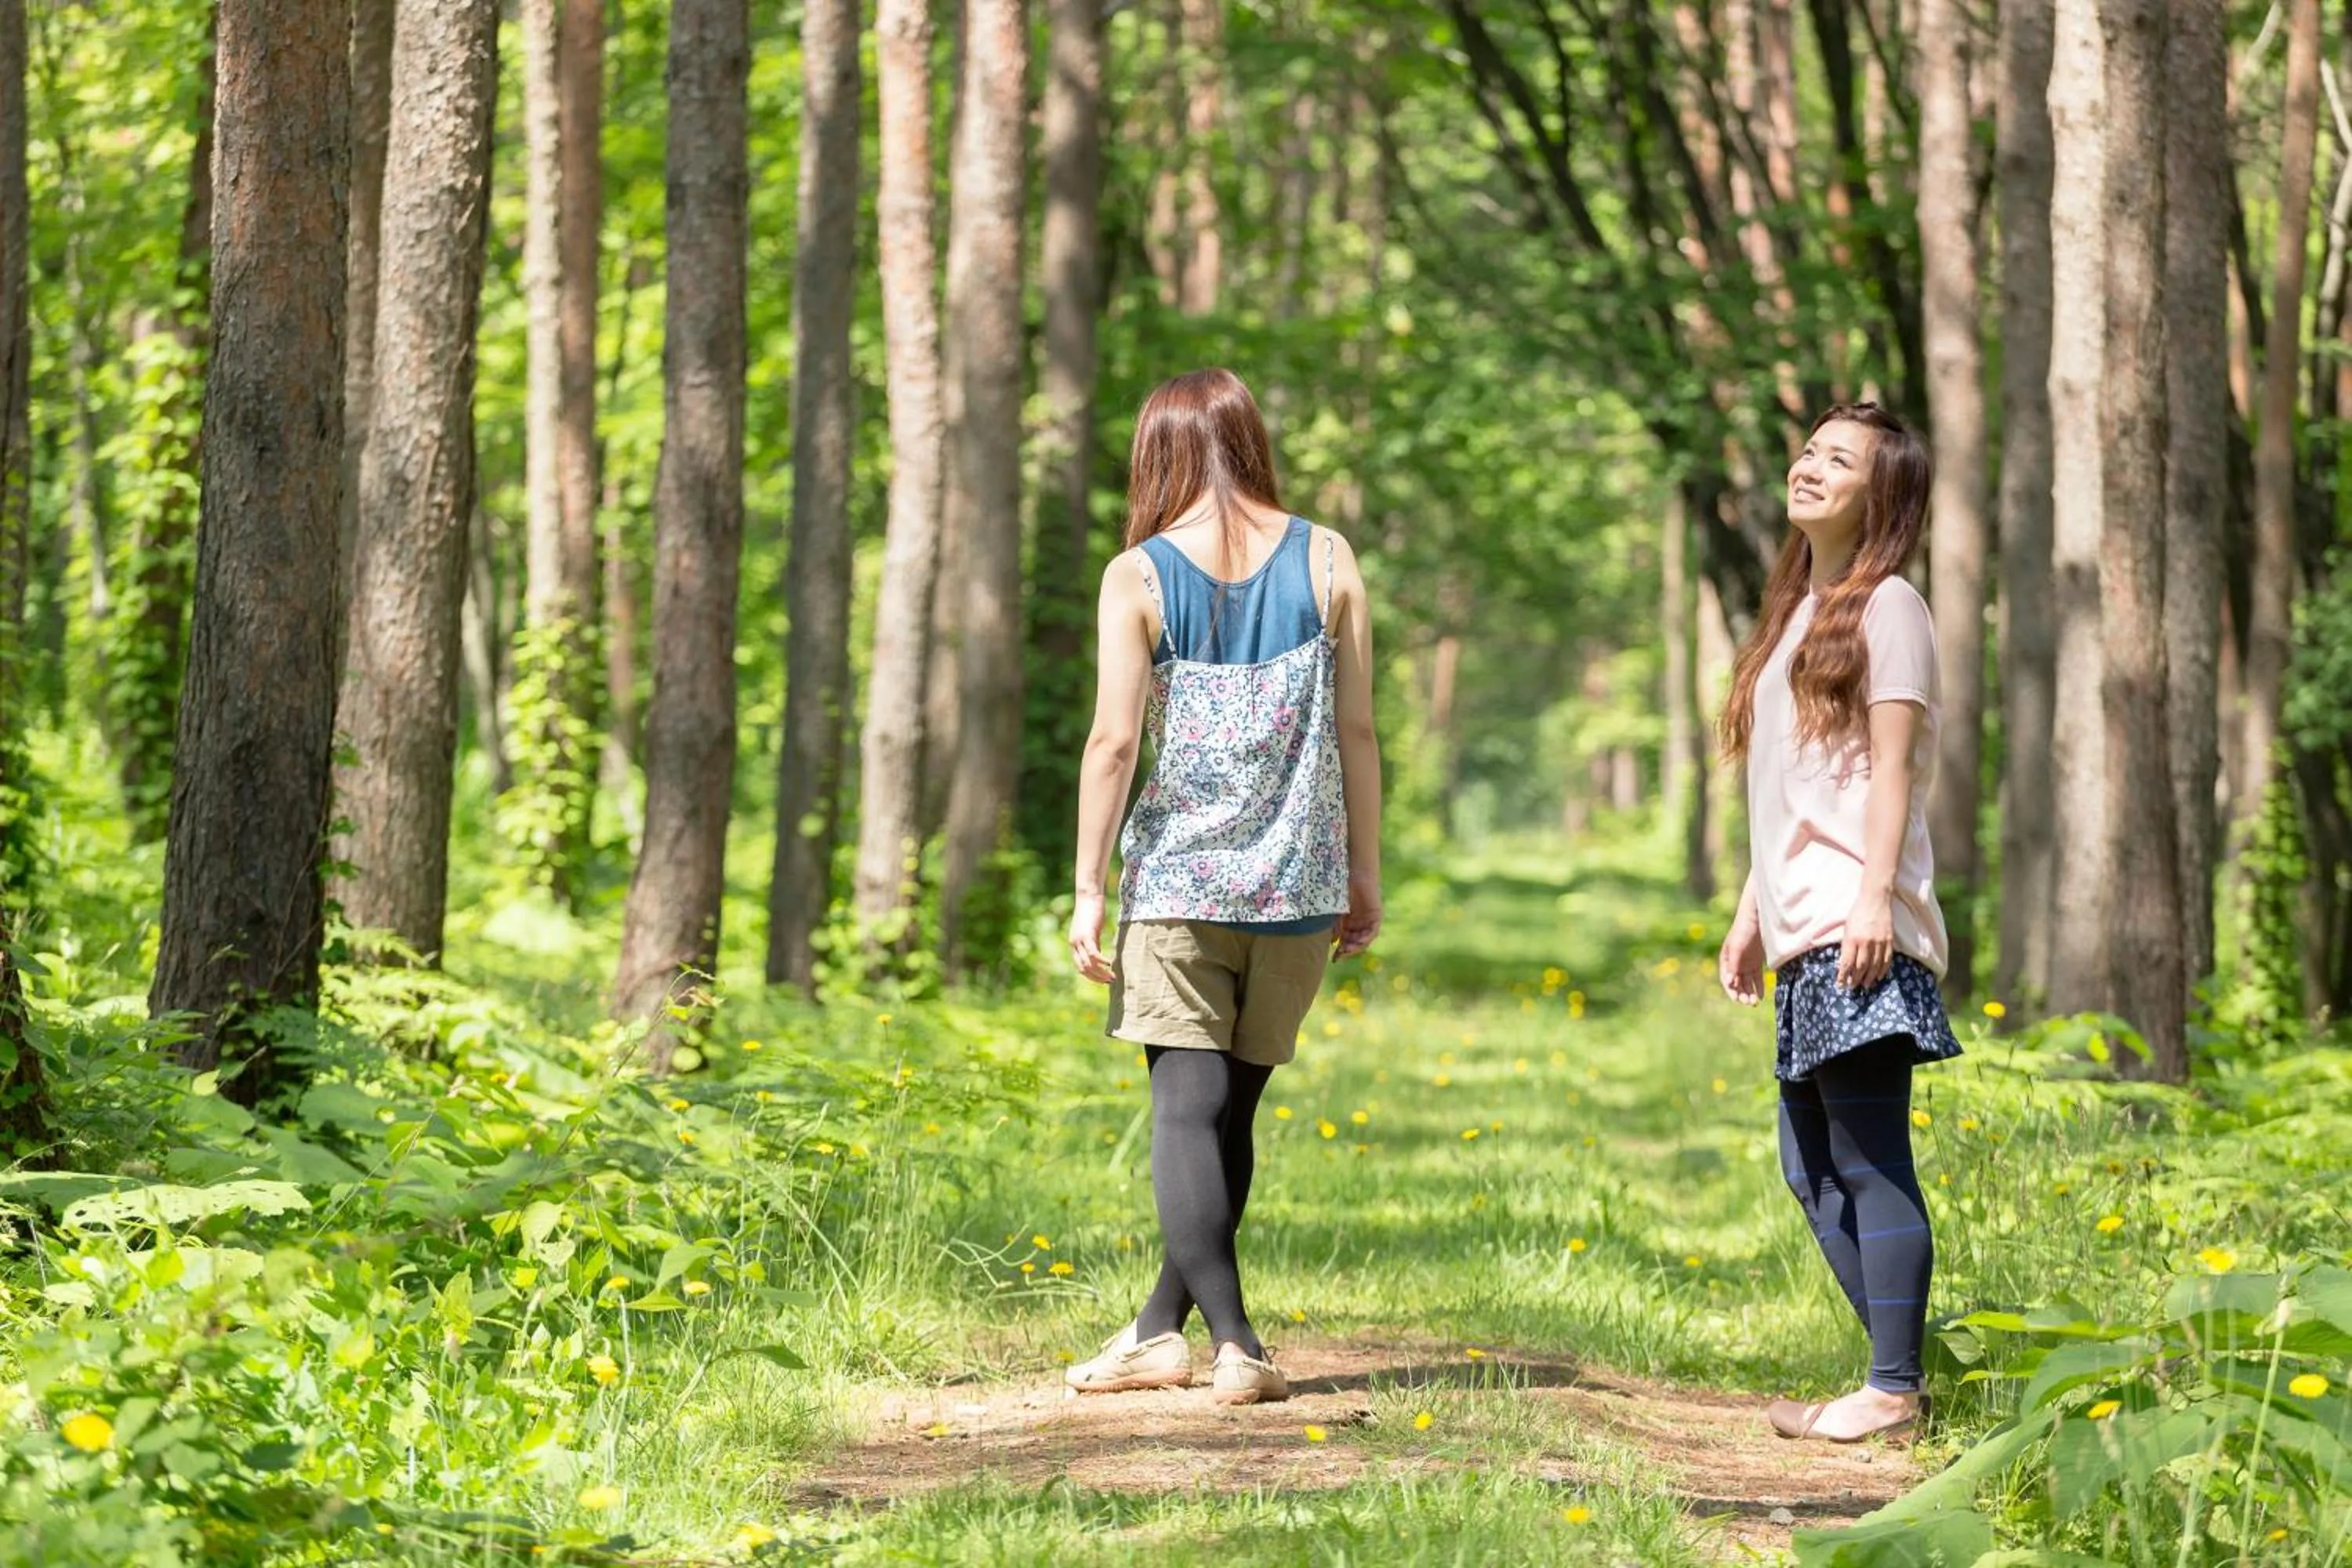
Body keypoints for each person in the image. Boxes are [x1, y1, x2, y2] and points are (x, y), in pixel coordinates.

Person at [1065, 368, 1382, 1406]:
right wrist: (1365, 873)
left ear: (1156, 453)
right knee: (1227, 1114)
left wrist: (1088, 887)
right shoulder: (1330, 558)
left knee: (1185, 1113)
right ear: (1250, 442)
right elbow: (1358, 732)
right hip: (1296, 883)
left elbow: (1113, 744)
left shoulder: (1138, 575)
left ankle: (1235, 1343)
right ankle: (1159, 1332)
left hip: (1180, 886)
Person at [1715, 401, 1962, 1445]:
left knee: (1867, 1162)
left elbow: (1894, 771)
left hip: (1860, 930)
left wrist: (1873, 898)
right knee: (1808, 1166)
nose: (1810, 467)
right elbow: (1796, 789)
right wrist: (1751, 910)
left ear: (1882, 495)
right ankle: (1908, 1376)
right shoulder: (1796, 615)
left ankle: (1894, 1389)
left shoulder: (1890, 607)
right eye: (1810, 450)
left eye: (1840, 461)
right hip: (1804, 929)